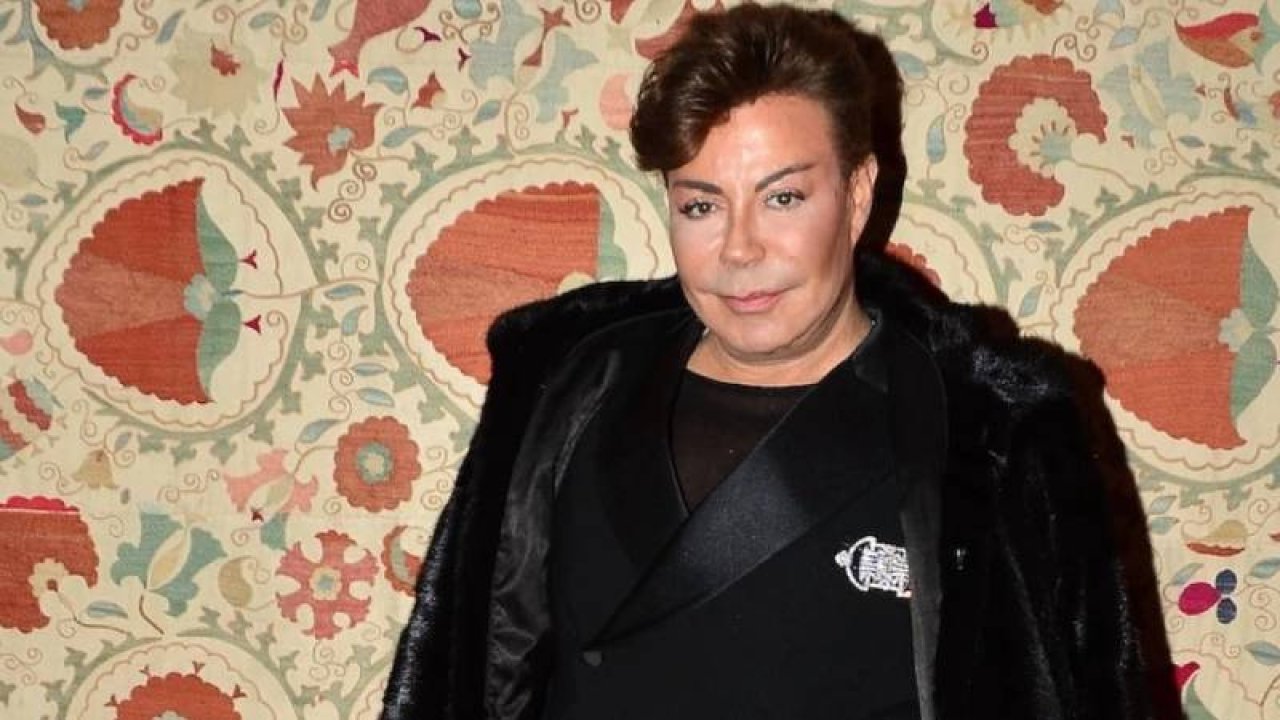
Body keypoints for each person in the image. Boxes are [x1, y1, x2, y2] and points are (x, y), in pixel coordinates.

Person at [381, 4, 1154, 719]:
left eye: (783, 198)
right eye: (701, 205)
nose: (739, 249)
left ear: (856, 194)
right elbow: (460, 676)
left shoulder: (987, 432)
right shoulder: (564, 389)